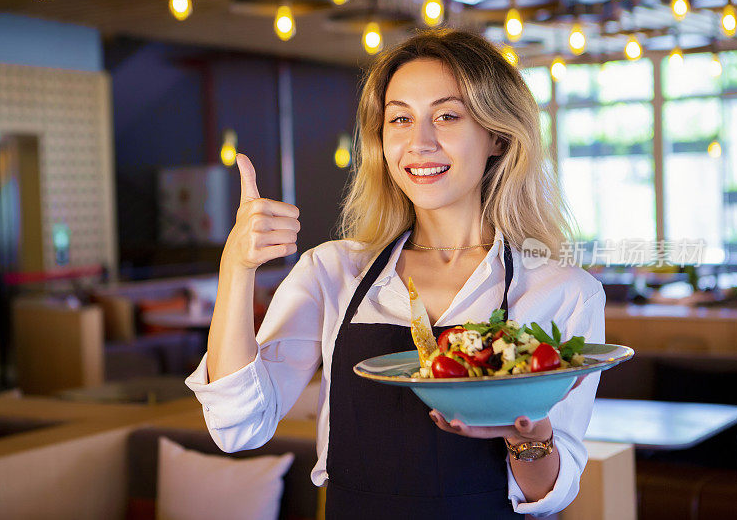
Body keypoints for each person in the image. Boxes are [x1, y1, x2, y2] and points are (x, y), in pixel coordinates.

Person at [186, 28, 605, 518]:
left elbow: (548, 496)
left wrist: (530, 437)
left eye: (447, 116)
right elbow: (238, 426)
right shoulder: (332, 272)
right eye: (400, 119)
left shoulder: (563, 293)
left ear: (497, 135)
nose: (419, 142)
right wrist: (235, 268)